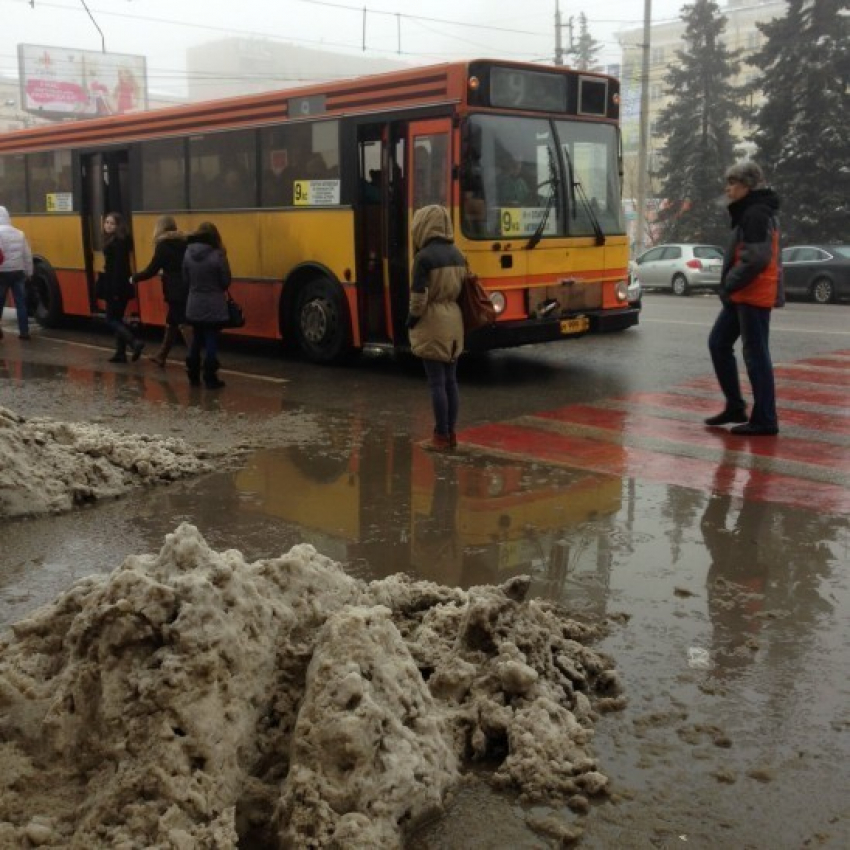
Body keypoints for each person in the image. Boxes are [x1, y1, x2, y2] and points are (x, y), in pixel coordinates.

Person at [705, 161, 781, 436]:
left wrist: (728, 284)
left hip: (751, 293)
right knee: (718, 342)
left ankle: (765, 419)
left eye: (733, 183)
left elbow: (756, 258)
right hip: (742, 294)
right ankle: (735, 406)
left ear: (747, 185)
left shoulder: (756, 213)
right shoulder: (749, 210)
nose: (728, 188)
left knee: (756, 354)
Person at [406, 205, 465, 450]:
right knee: (451, 381)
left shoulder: (424, 258)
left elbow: (419, 299)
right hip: (454, 320)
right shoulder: (458, 254)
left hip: (432, 322)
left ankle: (440, 436)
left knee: (436, 383)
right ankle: (450, 434)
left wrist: (411, 320)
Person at [132, 215, 192, 367]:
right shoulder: (184, 241)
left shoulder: (163, 245)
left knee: (183, 324)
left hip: (174, 290)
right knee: (172, 321)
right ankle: (161, 355)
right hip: (187, 286)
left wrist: (135, 278)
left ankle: (196, 356)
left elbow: (152, 269)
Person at [183, 221, 231, 389]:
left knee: (197, 337)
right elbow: (225, 282)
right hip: (213, 305)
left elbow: (185, 280)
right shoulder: (218, 255)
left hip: (194, 304)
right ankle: (210, 377)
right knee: (211, 338)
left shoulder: (188, 253)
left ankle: (193, 374)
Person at [100, 211, 144, 363]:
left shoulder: (117, 243)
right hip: (122, 286)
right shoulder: (120, 241)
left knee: (110, 319)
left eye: (112, 223)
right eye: (106, 222)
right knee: (117, 318)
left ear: (118, 226)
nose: (108, 226)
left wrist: (114, 291)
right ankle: (120, 353)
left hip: (116, 287)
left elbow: (118, 269)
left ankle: (134, 342)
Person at [0, 205, 33, 341]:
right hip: (18, 272)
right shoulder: (19, 233)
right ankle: (24, 332)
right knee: (20, 303)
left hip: (2, 272)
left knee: (0, 302)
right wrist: (29, 272)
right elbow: (27, 255)